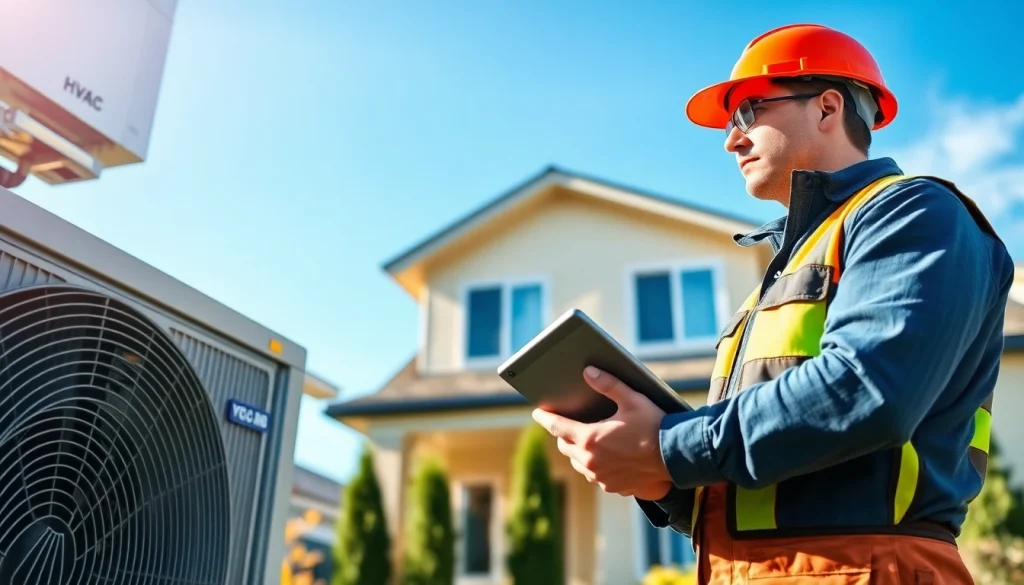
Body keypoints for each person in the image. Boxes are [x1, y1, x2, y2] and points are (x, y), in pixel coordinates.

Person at [531, 23, 1015, 584]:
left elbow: (868, 390)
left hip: (869, 568)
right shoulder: (776, 280)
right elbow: (759, 469)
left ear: (827, 107)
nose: (731, 141)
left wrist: (669, 445)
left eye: (747, 111)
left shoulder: (911, 212)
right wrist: (657, 475)